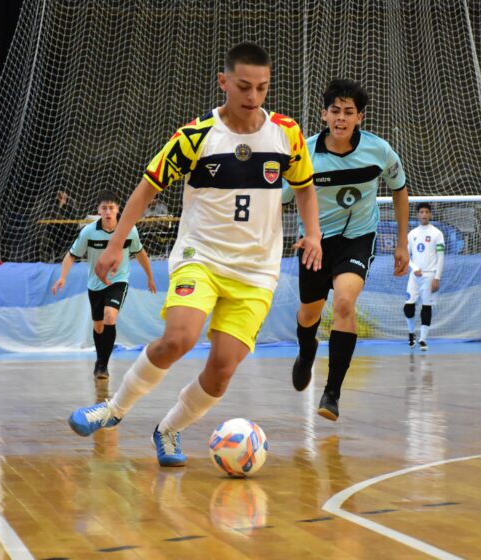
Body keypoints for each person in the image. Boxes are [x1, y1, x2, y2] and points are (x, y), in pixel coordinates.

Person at [67, 42, 322, 467]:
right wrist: (116, 243)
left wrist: (312, 234)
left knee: (222, 371)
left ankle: (168, 430)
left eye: (261, 87)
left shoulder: (287, 133)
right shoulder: (195, 136)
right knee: (178, 339)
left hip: (257, 271)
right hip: (200, 257)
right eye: (243, 86)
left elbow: (306, 188)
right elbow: (148, 188)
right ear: (223, 82)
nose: (253, 96)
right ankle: (113, 409)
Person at [283, 78, 409, 421]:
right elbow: (277, 200)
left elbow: (400, 189)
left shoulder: (379, 150)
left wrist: (401, 243)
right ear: (324, 115)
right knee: (309, 313)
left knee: (344, 302)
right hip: (314, 241)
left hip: (357, 238)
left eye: (348, 112)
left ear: (360, 118)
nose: (341, 118)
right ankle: (306, 350)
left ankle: (332, 392)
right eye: (335, 111)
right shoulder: (304, 153)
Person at [51, 190, 157, 379]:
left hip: (118, 281)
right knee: (99, 326)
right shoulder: (89, 232)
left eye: (111, 208)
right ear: (98, 211)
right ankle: (100, 358)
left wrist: (150, 277)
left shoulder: (128, 230)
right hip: (95, 284)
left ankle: (103, 365)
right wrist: (62, 277)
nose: (108, 212)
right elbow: (72, 255)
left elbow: (140, 253)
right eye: (104, 208)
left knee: (110, 316)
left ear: (118, 210)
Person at [404, 202, 444, 351]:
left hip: (430, 275)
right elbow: (406, 256)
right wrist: (414, 268)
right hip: (414, 276)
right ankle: (411, 334)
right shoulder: (412, 234)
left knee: (426, 307)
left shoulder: (437, 233)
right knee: (408, 307)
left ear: (430, 214)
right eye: (421, 212)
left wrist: (437, 277)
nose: (424, 214)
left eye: (427, 212)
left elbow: (441, 257)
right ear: (417, 215)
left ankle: (423, 339)